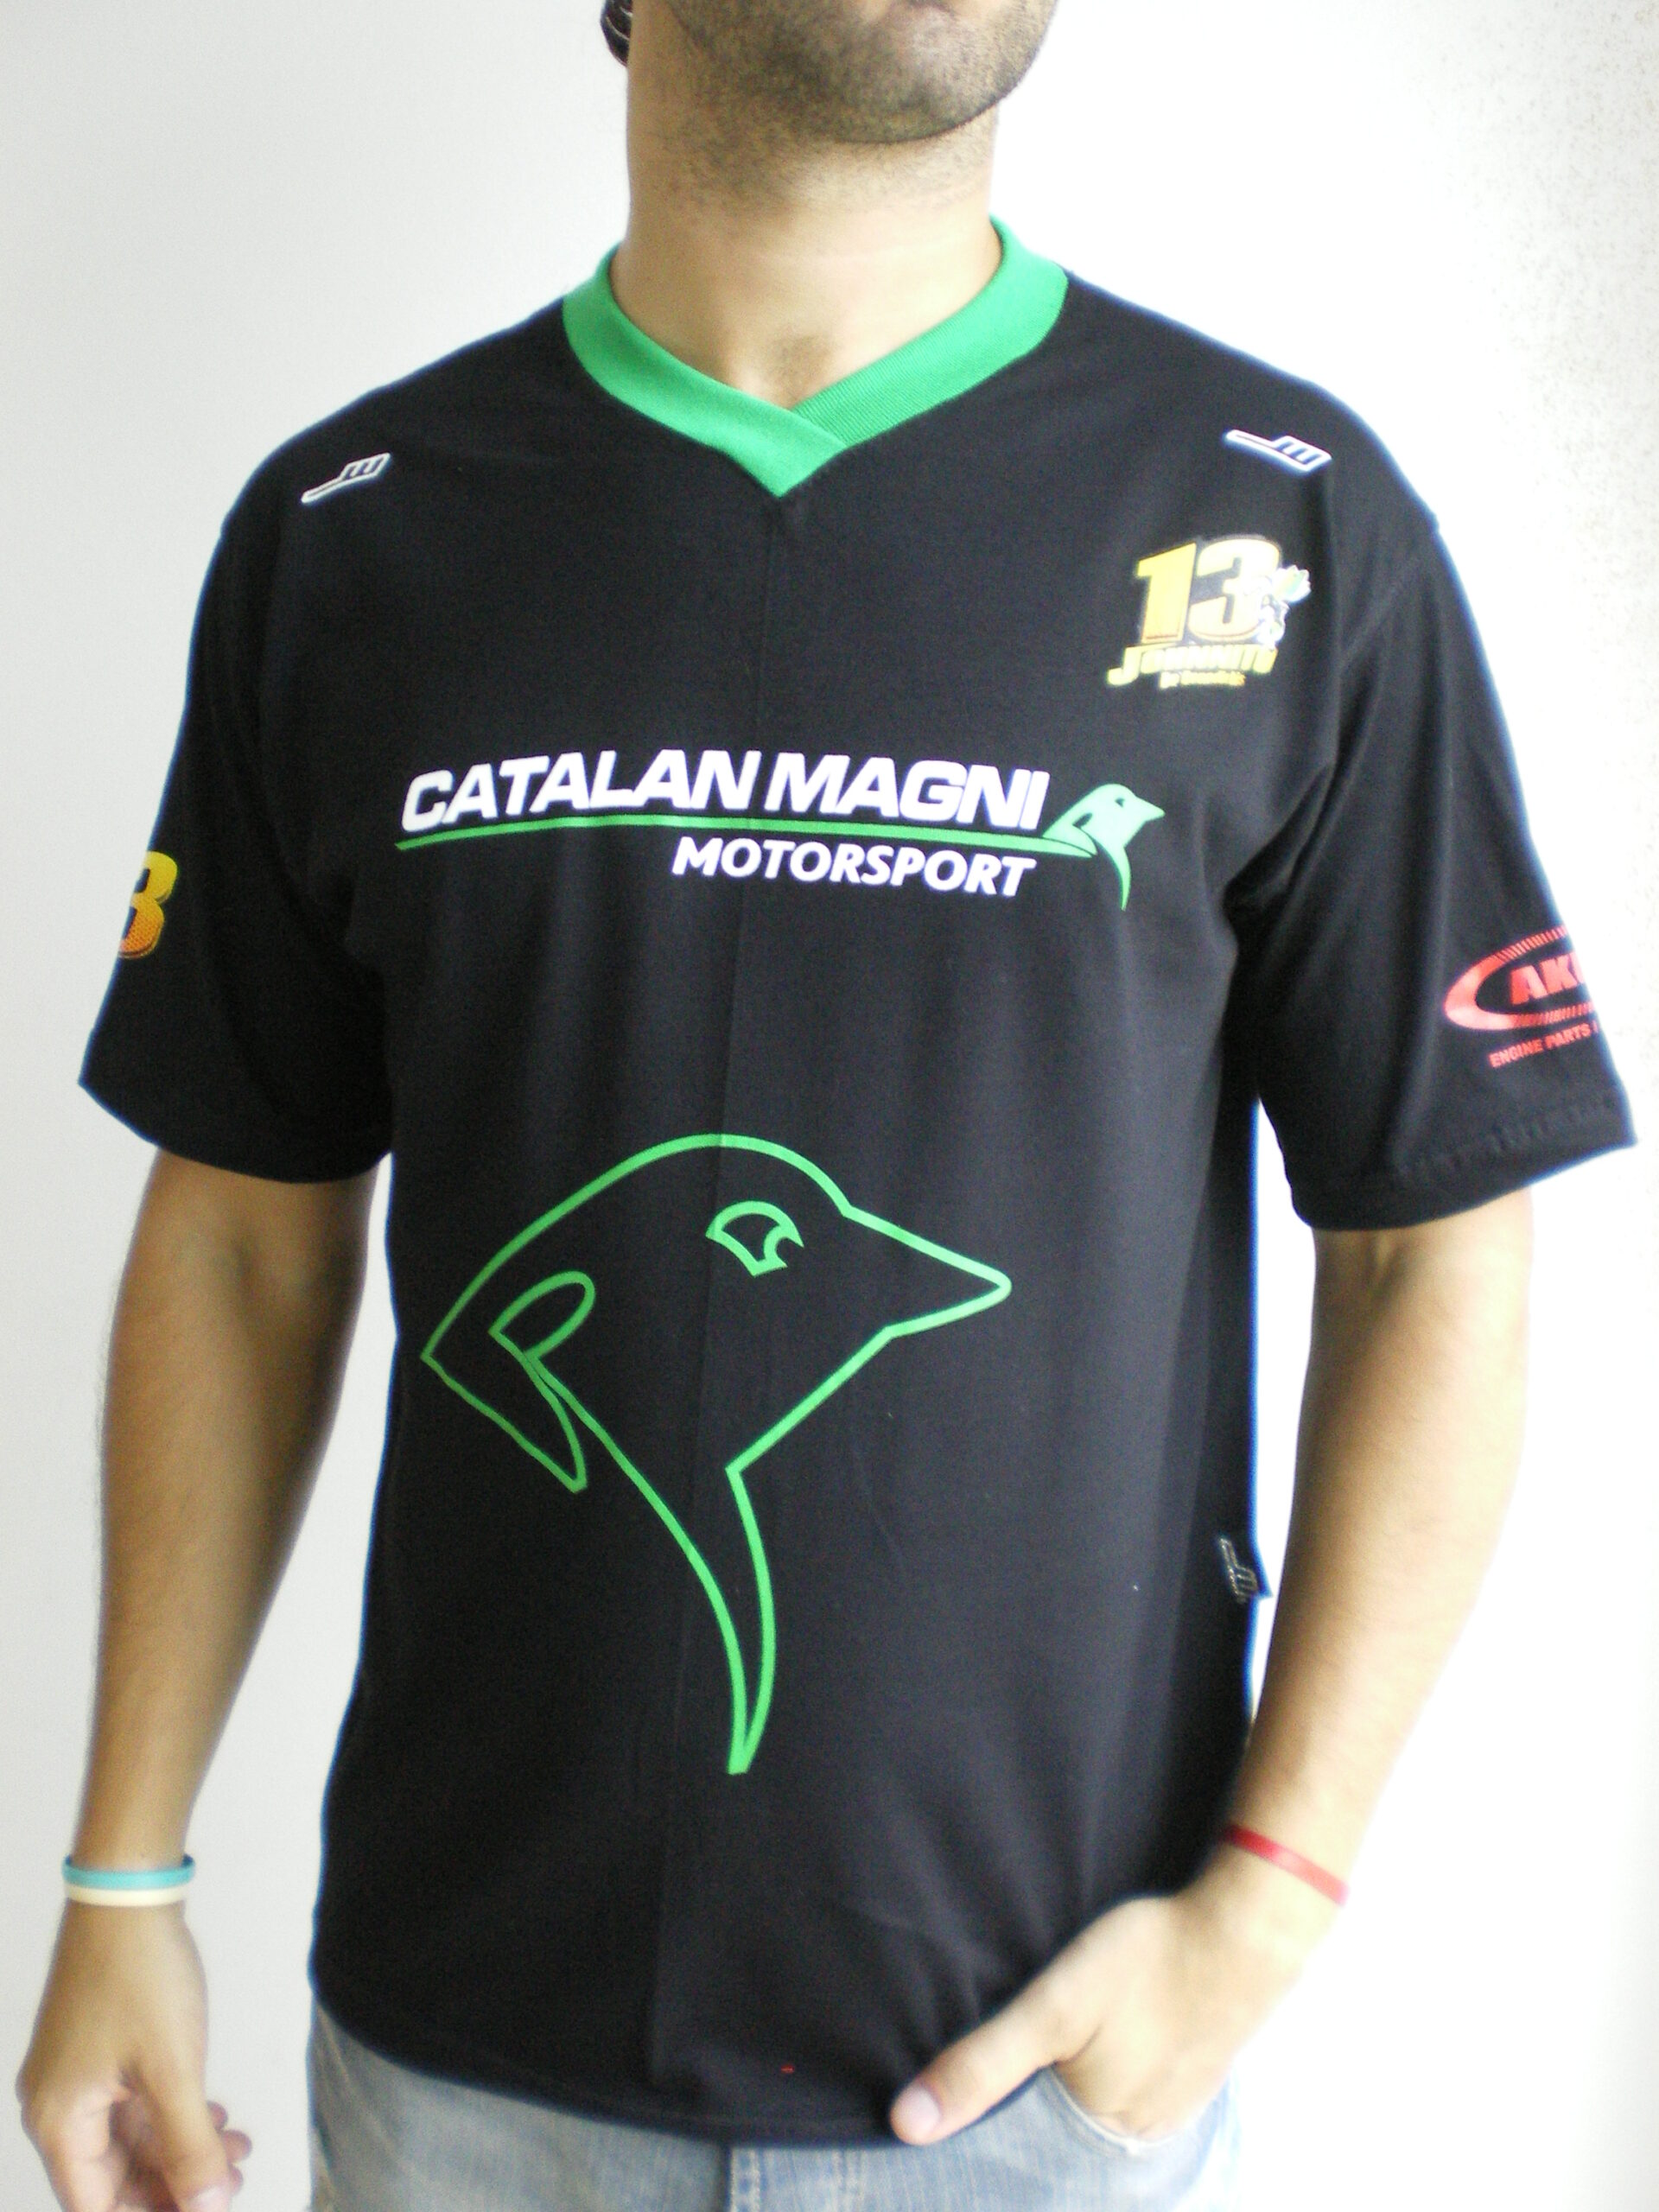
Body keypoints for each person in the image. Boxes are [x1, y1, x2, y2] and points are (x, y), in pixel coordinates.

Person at [16, 1, 1636, 2208]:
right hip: (461, 2067)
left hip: (1032, 2080)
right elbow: (238, 1237)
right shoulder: (356, 535)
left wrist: (1266, 1904)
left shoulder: (1273, 525)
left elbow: (1430, 1238)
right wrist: (121, 1874)